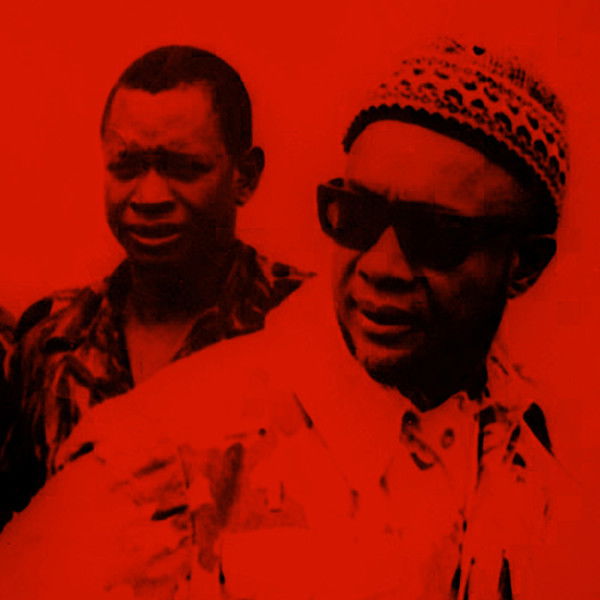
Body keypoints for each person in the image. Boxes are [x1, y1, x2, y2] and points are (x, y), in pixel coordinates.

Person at [0, 40, 591, 599]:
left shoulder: (541, 455)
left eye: (437, 234)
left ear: (525, 265)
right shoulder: (157, 445)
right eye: (355, 216)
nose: (382, 266)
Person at [1, 45, 308, 523]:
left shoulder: (308, 326)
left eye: (183, 168)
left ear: (245, 177)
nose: (149, 196)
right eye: (126, 166)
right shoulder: (49, 341)